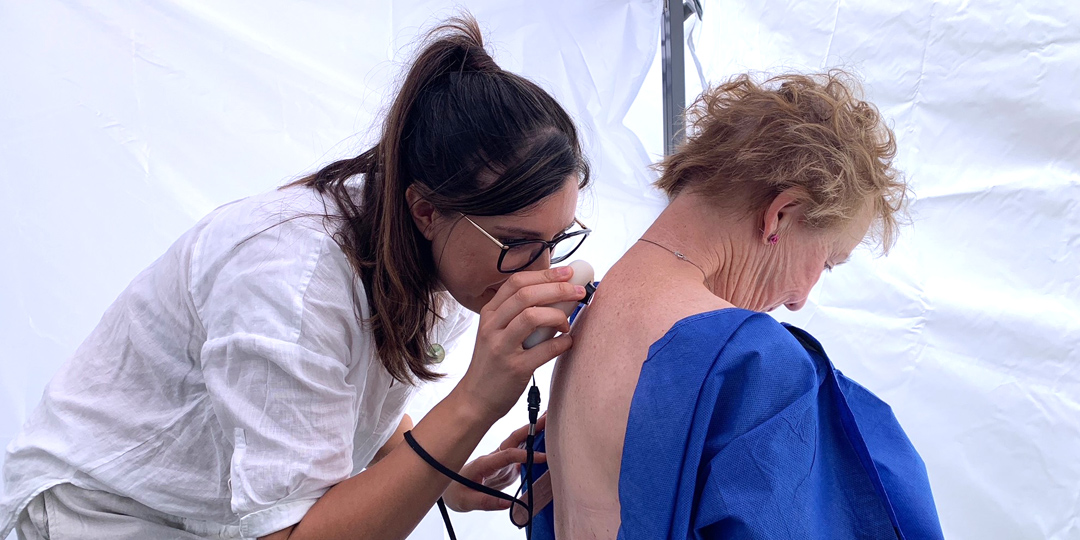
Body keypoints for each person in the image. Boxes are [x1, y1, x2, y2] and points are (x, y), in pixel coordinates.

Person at [1, 16, 593, 540]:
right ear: (426, 210)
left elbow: (341, 402)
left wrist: (448, 476)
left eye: (557, 242)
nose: (539, 271)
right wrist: (473, 403)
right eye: (517, 243)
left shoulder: (446, 259)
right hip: (98, 512)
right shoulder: (287, 281)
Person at [542, 71, 943, 539]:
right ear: (780, 214)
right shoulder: (751, 360)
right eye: (826, 261)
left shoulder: (583, 314)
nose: (799, 300)